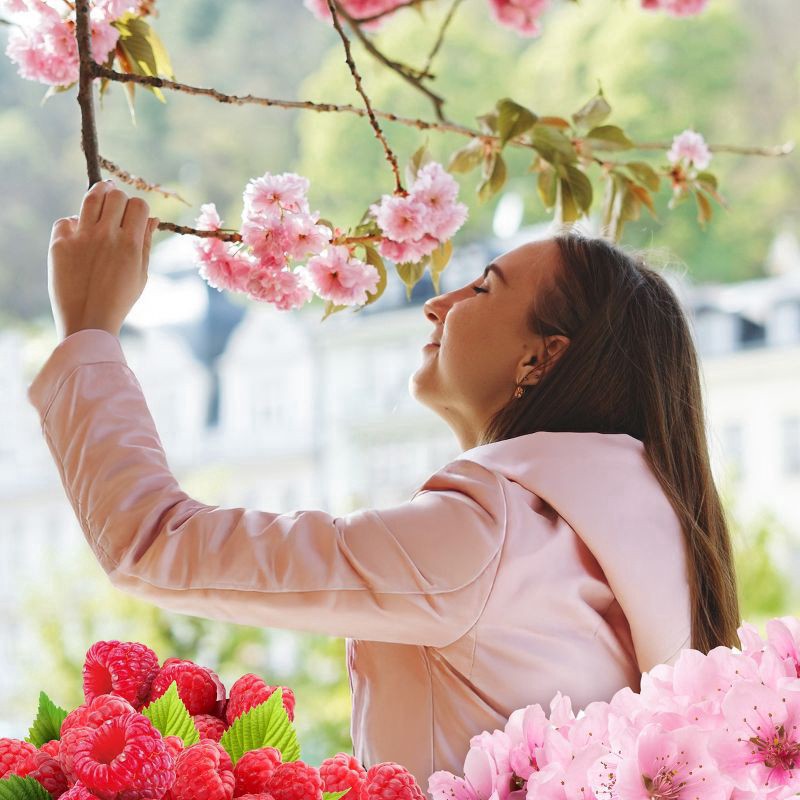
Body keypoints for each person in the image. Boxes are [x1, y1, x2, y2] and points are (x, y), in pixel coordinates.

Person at [27, 180, 740, 791]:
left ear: (540, 359)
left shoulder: (487, 535)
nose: (439, 304)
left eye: (483, 288)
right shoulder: (648, 545)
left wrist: (89, 333)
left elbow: (153, 543)